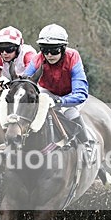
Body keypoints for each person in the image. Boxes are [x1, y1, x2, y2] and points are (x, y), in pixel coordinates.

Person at [21, 23, 93, 152]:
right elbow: (24, 83)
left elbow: (81, 93)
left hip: (70, 95)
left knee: (70, 112)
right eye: (44, 50)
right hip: (47, 92)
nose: (49, 55)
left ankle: (86, 144)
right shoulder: (38, 59)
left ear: (63, 48)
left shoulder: (73, 57)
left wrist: (60, 101)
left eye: (54, 50)